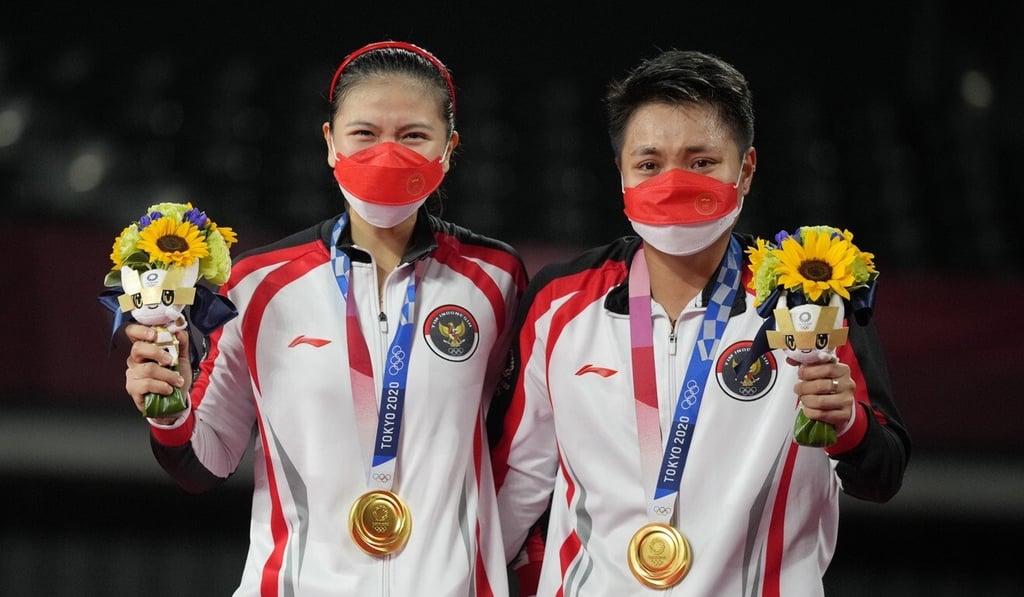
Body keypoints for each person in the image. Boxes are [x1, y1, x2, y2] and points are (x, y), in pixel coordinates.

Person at [488, 49, 910, 596]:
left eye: (701, 161)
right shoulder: (561, 302)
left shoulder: (813, 298)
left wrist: (847, 424)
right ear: (620, 173)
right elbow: (517, 481)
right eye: (649, 164)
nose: (673, 182)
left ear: (747, 168)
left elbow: (884, 472)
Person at [123, 40, 527, 596]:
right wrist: (167, 411)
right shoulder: (259, 284)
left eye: (413, 136)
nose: (388, 154)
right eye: (364, 134)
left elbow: (520, 451)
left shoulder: (496, 278)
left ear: (449, 148)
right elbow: (204, 463)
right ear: (330, 143)